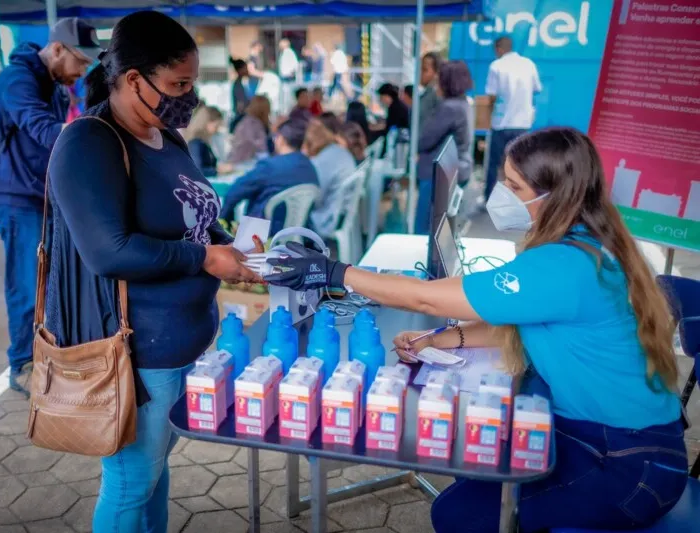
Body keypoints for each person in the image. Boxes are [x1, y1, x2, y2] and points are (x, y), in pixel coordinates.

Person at [264, 127, 687, 533]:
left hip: (625, 466)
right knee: (474, 468)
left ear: (555, 195)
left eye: (514, 187)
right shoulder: (587, 241)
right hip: (613, 442)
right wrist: (442, 339)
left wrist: (335, 271)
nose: (502, 196)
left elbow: (425, 298)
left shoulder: (564, 266)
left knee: (459, 515)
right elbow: (520, 315)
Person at [47, 12, 260, 532]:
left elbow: (194, 220)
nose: (187, 98)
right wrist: (206, 259)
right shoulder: (90, 143)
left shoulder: (168, 139)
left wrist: (232, 247)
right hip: (137, 354)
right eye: (177, 85)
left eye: (192, 84)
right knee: (129, 482)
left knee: (153, 474)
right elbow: (109, 252)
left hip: (184, 342)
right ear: (135, 79)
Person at [0, 17, 99, 396]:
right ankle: (21, 363)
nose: (82, 71)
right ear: (56, 49)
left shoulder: (50, 80)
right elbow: (43, 130)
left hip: (40, 196)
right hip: (16, 200)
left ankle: (45, 355)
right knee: (26, 282)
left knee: (49, 281)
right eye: (80, 62)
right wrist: (94, 134)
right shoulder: (17, 80)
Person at [220, 119, 317, 234]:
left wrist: (223, 224)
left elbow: (234, 192)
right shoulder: (310, 167)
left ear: (280, 139)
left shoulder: (270, 166)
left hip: (261, 235)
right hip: (299, 235)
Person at [414, 61, 475, 234]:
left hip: (439, 173)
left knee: (425, 229)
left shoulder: (449, 108)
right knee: (443, 230)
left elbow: (424, 140)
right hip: (455, 169)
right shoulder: (464, 104)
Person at [483, 36, 542, 206]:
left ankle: (490, 200)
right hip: (522, 124)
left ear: (499, 49)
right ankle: (522, 201)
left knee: (495, 164)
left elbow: (491, 96)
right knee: (520, 165)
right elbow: (537, 88)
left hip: (501, 124)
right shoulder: (528, 64)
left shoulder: (496, 66)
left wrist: (489, 113)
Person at [305, 114, 357, 237]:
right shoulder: (339, 152)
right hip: (340, 213)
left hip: (326, 219)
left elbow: (315, 197)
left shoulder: (323, 160)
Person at [226, 94, 271, 164]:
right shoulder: (252, 123)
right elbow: (258, 146)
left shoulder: (248, 121)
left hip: (239, 161)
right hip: (242, 163)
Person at [184, 105, 223, 176]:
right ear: (207, 123)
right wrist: (218, 171)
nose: (217, 129)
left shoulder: (202, 141)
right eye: (216, 126)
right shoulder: (195, 142)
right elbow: (198, 170)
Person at [377, 83, 409, 157]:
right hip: (398, 142)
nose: (381, 100)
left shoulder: (395, 107)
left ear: (387, 96)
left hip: (398, 144)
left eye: (381, 97)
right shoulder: (396, 105)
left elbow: (390, 127)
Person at [418, 51, 443, 123]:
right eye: (419, 69)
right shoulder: (426, 94)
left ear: (437, 73)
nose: (420, 73)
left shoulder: (437, 96)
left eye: (424, 70)